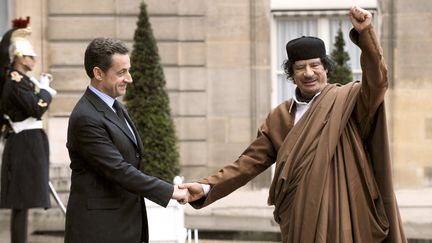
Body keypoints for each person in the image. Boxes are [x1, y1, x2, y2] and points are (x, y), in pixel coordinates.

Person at [179, 6, 407, 243]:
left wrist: (366, 34)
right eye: (300, 67)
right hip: (300, 220)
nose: (308, 73)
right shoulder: (280, 117)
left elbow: (378, 81)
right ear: (291, 73)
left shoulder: (350, 102)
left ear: (326, 68)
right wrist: (206, 187)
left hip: (345, 215)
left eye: (315, 65)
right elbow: (247, 163)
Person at [64, 37, 188, 243]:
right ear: (98, 73)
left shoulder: (115, 106)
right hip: (99, 230)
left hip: (124, 224)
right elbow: (119, 170)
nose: (129, 78)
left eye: (128, 70)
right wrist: (171, 191)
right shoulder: (86, 117)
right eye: (121, 72)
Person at [0, 17, 57, 243]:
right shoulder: (14, 80)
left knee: (24, 201)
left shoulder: (23, 80)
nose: (35, 60)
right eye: (31, 56)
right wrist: (45, 91)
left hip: (30, 141)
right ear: (20, 58)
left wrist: (40, 87)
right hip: (23, 142)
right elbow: (36, 108)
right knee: (20, 202)